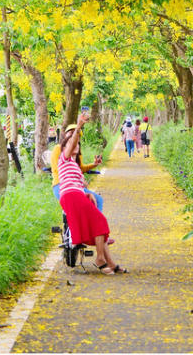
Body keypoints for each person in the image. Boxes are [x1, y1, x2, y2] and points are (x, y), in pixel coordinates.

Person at [58, 112, 126, 274]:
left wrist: (86, 194)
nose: (75, 145)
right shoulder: (64, 158)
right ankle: (100, 259)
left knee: (99, 227)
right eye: (70, 144)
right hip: (70, 196)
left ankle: (110, 263)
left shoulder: (74, 166)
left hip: (77, 195)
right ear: (65, 148)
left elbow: (78, 184)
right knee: (100, 221)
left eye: (77, 144)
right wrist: (79, 125)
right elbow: (72, 141)